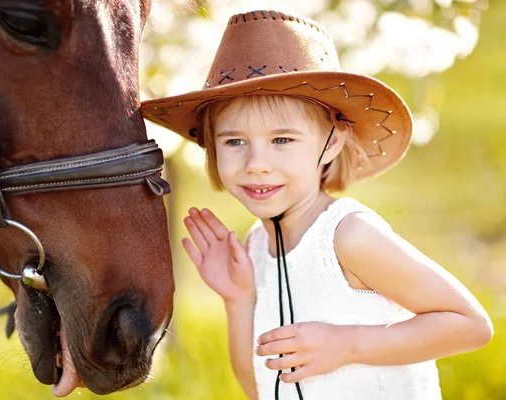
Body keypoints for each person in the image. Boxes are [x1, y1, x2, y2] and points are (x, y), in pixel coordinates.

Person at [141, 10, 493, 400]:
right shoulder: (256, 248)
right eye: (235, 142)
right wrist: (237, 299)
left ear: (332, 142)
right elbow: (258, 387)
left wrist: (347, 344)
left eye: (282, 140)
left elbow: (470, 324)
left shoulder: (348, 236)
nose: (256, 164)